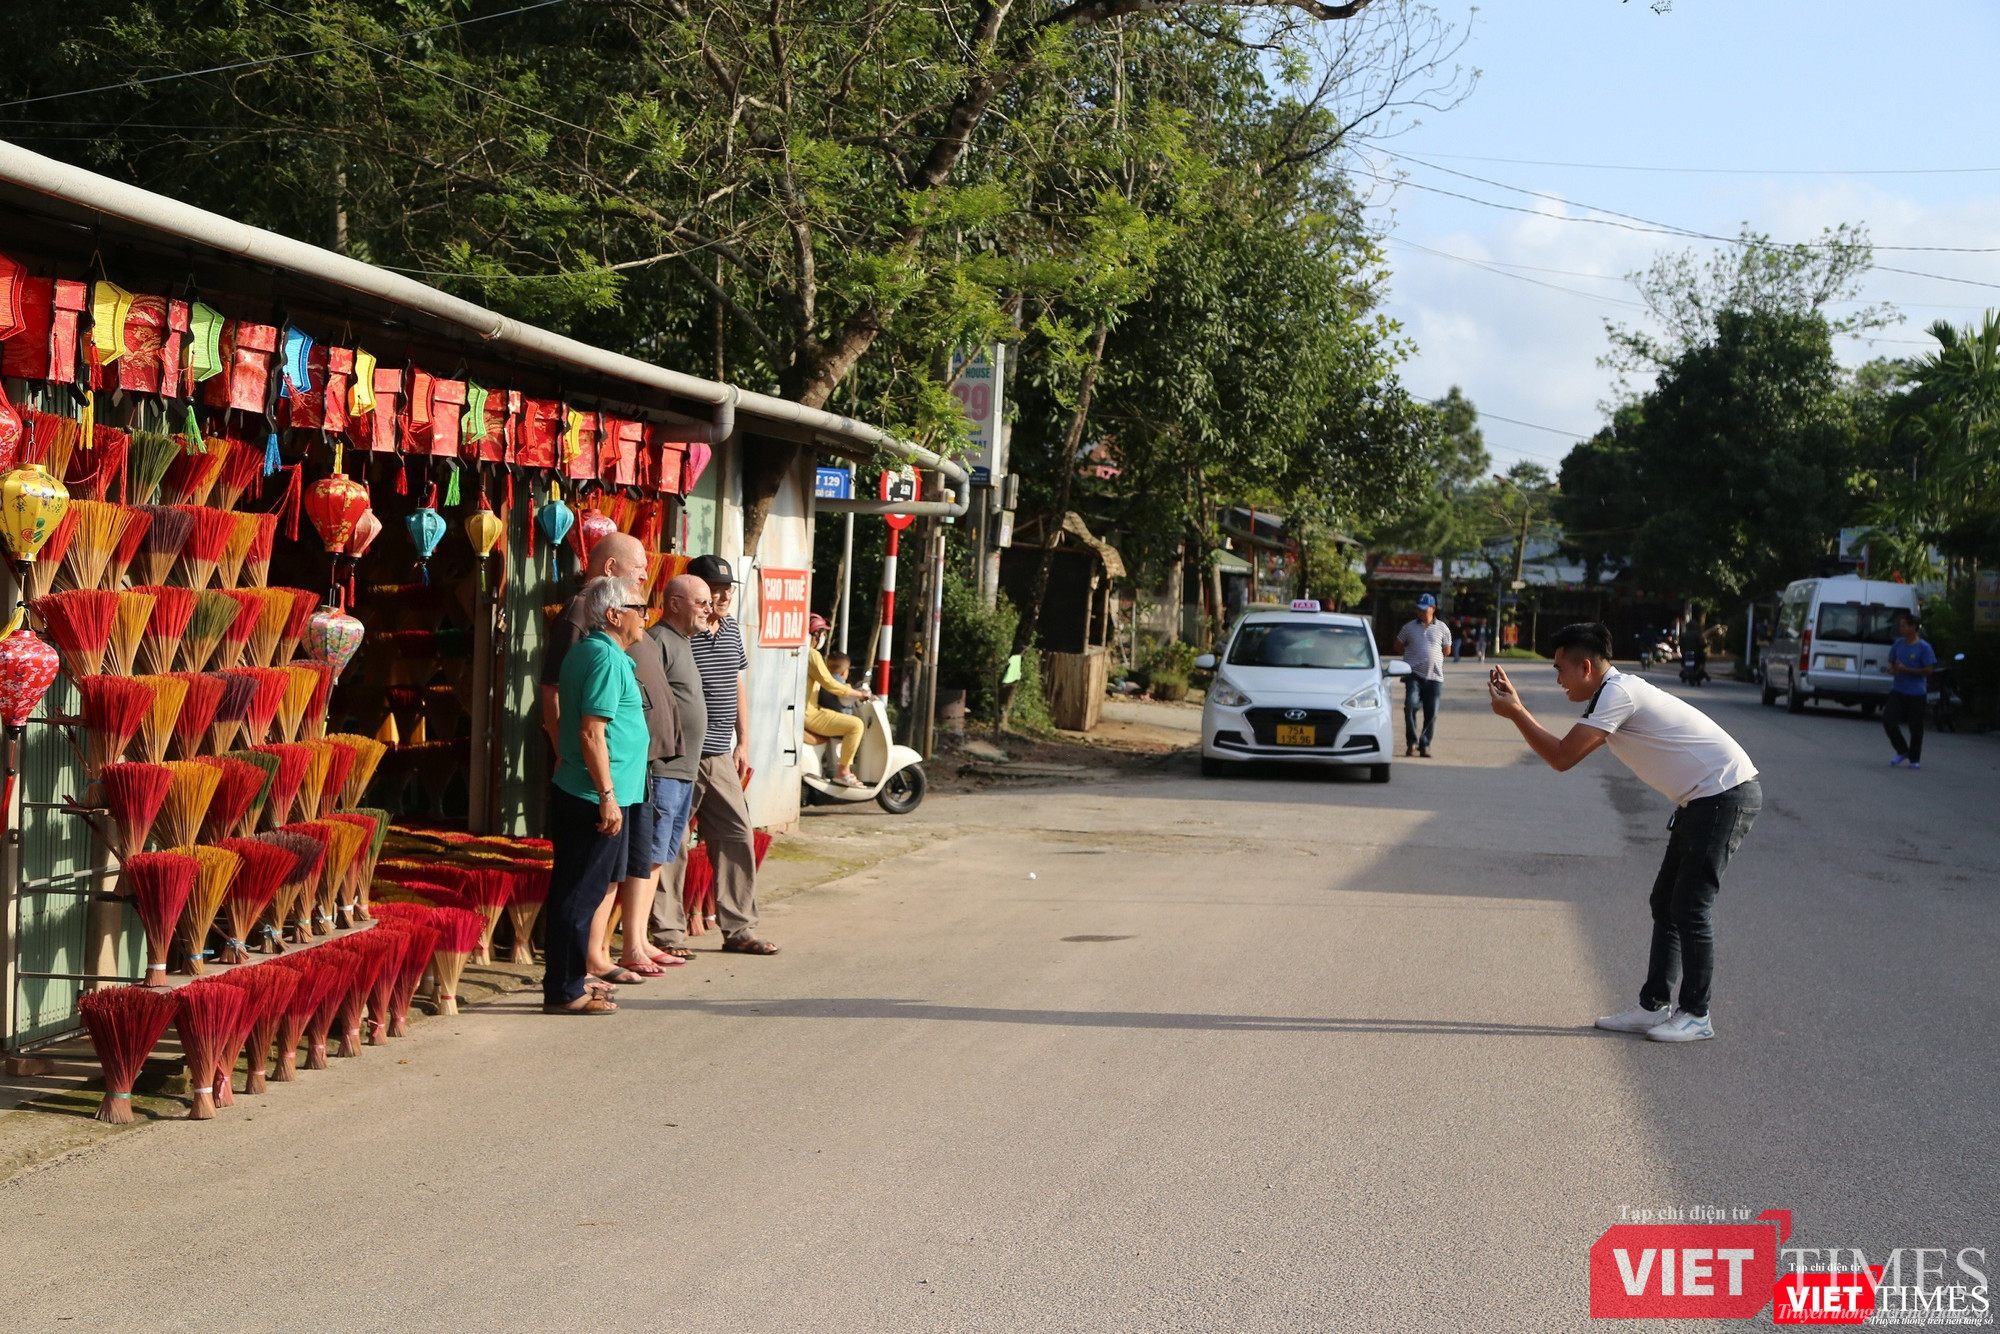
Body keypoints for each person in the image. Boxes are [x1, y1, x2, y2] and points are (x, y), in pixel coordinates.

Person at [1487, 622, 1760, 1044]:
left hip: (1725, 794)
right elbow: (1564, 752)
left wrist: (1517, 712)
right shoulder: (1611, 694)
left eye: (1560, 668)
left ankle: (1697, 1014)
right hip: (1702, 798)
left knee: (1690, 907)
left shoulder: (1618, 694)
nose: (1557, 679)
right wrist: (1518, 709)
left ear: (1585, 667)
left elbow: (1563, 757)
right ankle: (1653, 1007)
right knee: (1666, 903)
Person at [543, 576, 651, 1016]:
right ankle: (566, 991)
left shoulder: (594, 652)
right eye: (640, 607)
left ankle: (568, 982)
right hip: (593, 794)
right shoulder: (604, 659)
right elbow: (592, 732)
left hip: (593, 790)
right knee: (579, 894)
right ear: (614, 615)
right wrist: (607, 794)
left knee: (579, 890)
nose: (646, 615)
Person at [676, 554, 778, 954]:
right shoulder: (681, 633)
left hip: (720, 753)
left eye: (726, 590)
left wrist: (744, 741)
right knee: (674, 842)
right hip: (682, 755)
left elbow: (736, 685)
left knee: (736, 834)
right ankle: (668, 932)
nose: (720, 598)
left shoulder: (732, 630)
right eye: (712, 591)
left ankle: (739, 929)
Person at [643, 575, 711, 956]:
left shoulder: (684, 643)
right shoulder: (659, 641)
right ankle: (651, 936)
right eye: (700, 602)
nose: (707, 609)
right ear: (674, 604)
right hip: (665, 770)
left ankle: (651, 936)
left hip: (685, 769)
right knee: (654, 855)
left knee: (668, 852)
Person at [538, 531, 649, 750]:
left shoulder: (625, 611)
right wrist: (562, 749)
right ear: (610, 567)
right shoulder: (581, 609)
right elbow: (552, 687)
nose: (644, 576)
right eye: (638, 568)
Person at [805, 614, 871, 786]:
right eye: (822, 633)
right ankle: (843, 772)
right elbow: (831, 684)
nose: (824, 638)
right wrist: (859, 694)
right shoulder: (811, 654)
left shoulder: (802, 652)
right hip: (809, 714)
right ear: (815, 635)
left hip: (810, 710)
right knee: (856, 725)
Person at [1394, 593, 1453, 757]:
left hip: (1435, 678)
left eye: (1423, 609)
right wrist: (1412, 656)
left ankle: (1425, 745)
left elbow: (1447, 650)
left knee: (1431, 712)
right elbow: (1398, 645)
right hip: (1413, 675)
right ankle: (1411, 742)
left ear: (1433, 609)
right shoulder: (1408, 627)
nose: (1420, 613)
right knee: (1410, 706)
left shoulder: (1443, 628)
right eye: (1418, 609)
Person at [1884, 612, 1935, 770]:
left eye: (1904, 626)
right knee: (1889, 721)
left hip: (1916, 692)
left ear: (1913, 628)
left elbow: (1928, 670)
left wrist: (1908, 670)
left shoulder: (1924, 648)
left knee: (1915, 726)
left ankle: (1914, 758)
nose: (1902, 629)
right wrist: (1892, 670)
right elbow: (1892, 664)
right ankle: (1902, 749)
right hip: (1898, 690)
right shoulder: (1898, 644)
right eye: (1901, 626)